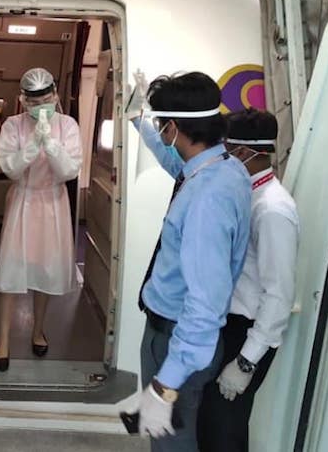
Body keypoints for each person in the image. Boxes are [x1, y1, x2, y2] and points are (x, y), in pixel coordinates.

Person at [130, 72, 252, 451]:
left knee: (171, 442)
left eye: (160, 125)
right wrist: (138, 121)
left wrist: (165, 384)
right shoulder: (222, 167)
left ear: (173, 127)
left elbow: (205, 303)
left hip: (176, 342)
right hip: (177, 338)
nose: (160, 131)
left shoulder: (206, 200)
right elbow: (175, 162)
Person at [197, 108, 299, 452]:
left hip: (248, 333)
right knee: (212, 429)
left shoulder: (272, 210)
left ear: (242, 152)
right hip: (228, 326)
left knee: (224, 433)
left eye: (226, 150)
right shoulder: (246, 194)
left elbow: (279, 293)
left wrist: (245, 362)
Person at [0, 68, 83, 371]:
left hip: (54, 203)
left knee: (46, 269)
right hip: (24, 200)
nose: (41, 106)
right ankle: (3, 339)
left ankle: (38, 329)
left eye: (46, 99)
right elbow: (10, 168)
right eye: (34, 102)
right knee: (11, 270)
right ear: (23, 100)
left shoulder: (68, 125)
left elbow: (69, 171)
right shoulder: (13, 125)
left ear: (55, 94)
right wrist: (32, 146)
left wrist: (51, 144)